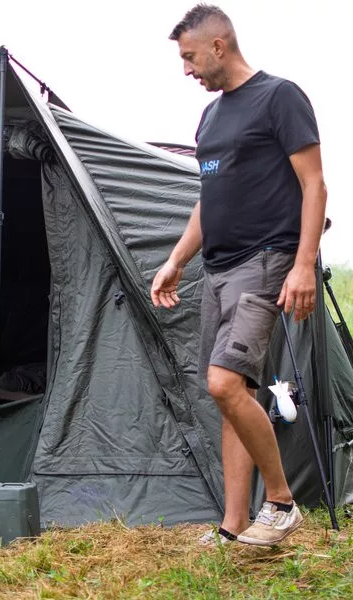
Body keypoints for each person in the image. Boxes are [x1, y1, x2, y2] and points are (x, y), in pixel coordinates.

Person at [151, 4, 327, 546]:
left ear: (218, 46)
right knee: (233, 394)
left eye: (189, 57)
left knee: (224, 383)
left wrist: (303, 264)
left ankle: (281, 503)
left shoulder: (280, 97)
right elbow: (210, 200)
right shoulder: (210, 118)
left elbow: (315, 184)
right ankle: (234, 526)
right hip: (218, 269)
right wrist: (177, 260)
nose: (186, 70)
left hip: (266, 259)